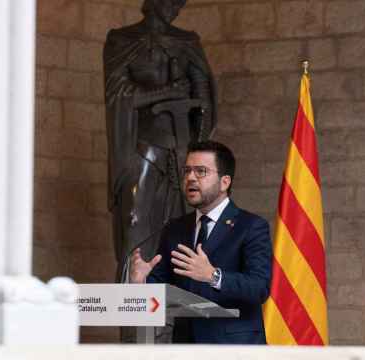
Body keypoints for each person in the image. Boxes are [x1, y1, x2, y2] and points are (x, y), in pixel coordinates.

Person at [103, 0, 217, 281]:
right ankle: (134, 320)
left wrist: (197, 153)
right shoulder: (122, 40)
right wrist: (167, 92)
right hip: (141, 148)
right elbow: (119, 97)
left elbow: (204, 102)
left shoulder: (187, 42)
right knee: (135, 228)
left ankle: (172, 324)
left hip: (181, 151)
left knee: (182, 235)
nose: (174, 7)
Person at [130, 141, 272, 344]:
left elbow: (259, 288)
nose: (190, 178)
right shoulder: (175, 229)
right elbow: (164, 288)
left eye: (201, 171)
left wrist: (213, 276)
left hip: (235, 349)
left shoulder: (251, 226)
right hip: (186, 348)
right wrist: (142, 282)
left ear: (225, 182)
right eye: (187, 171)